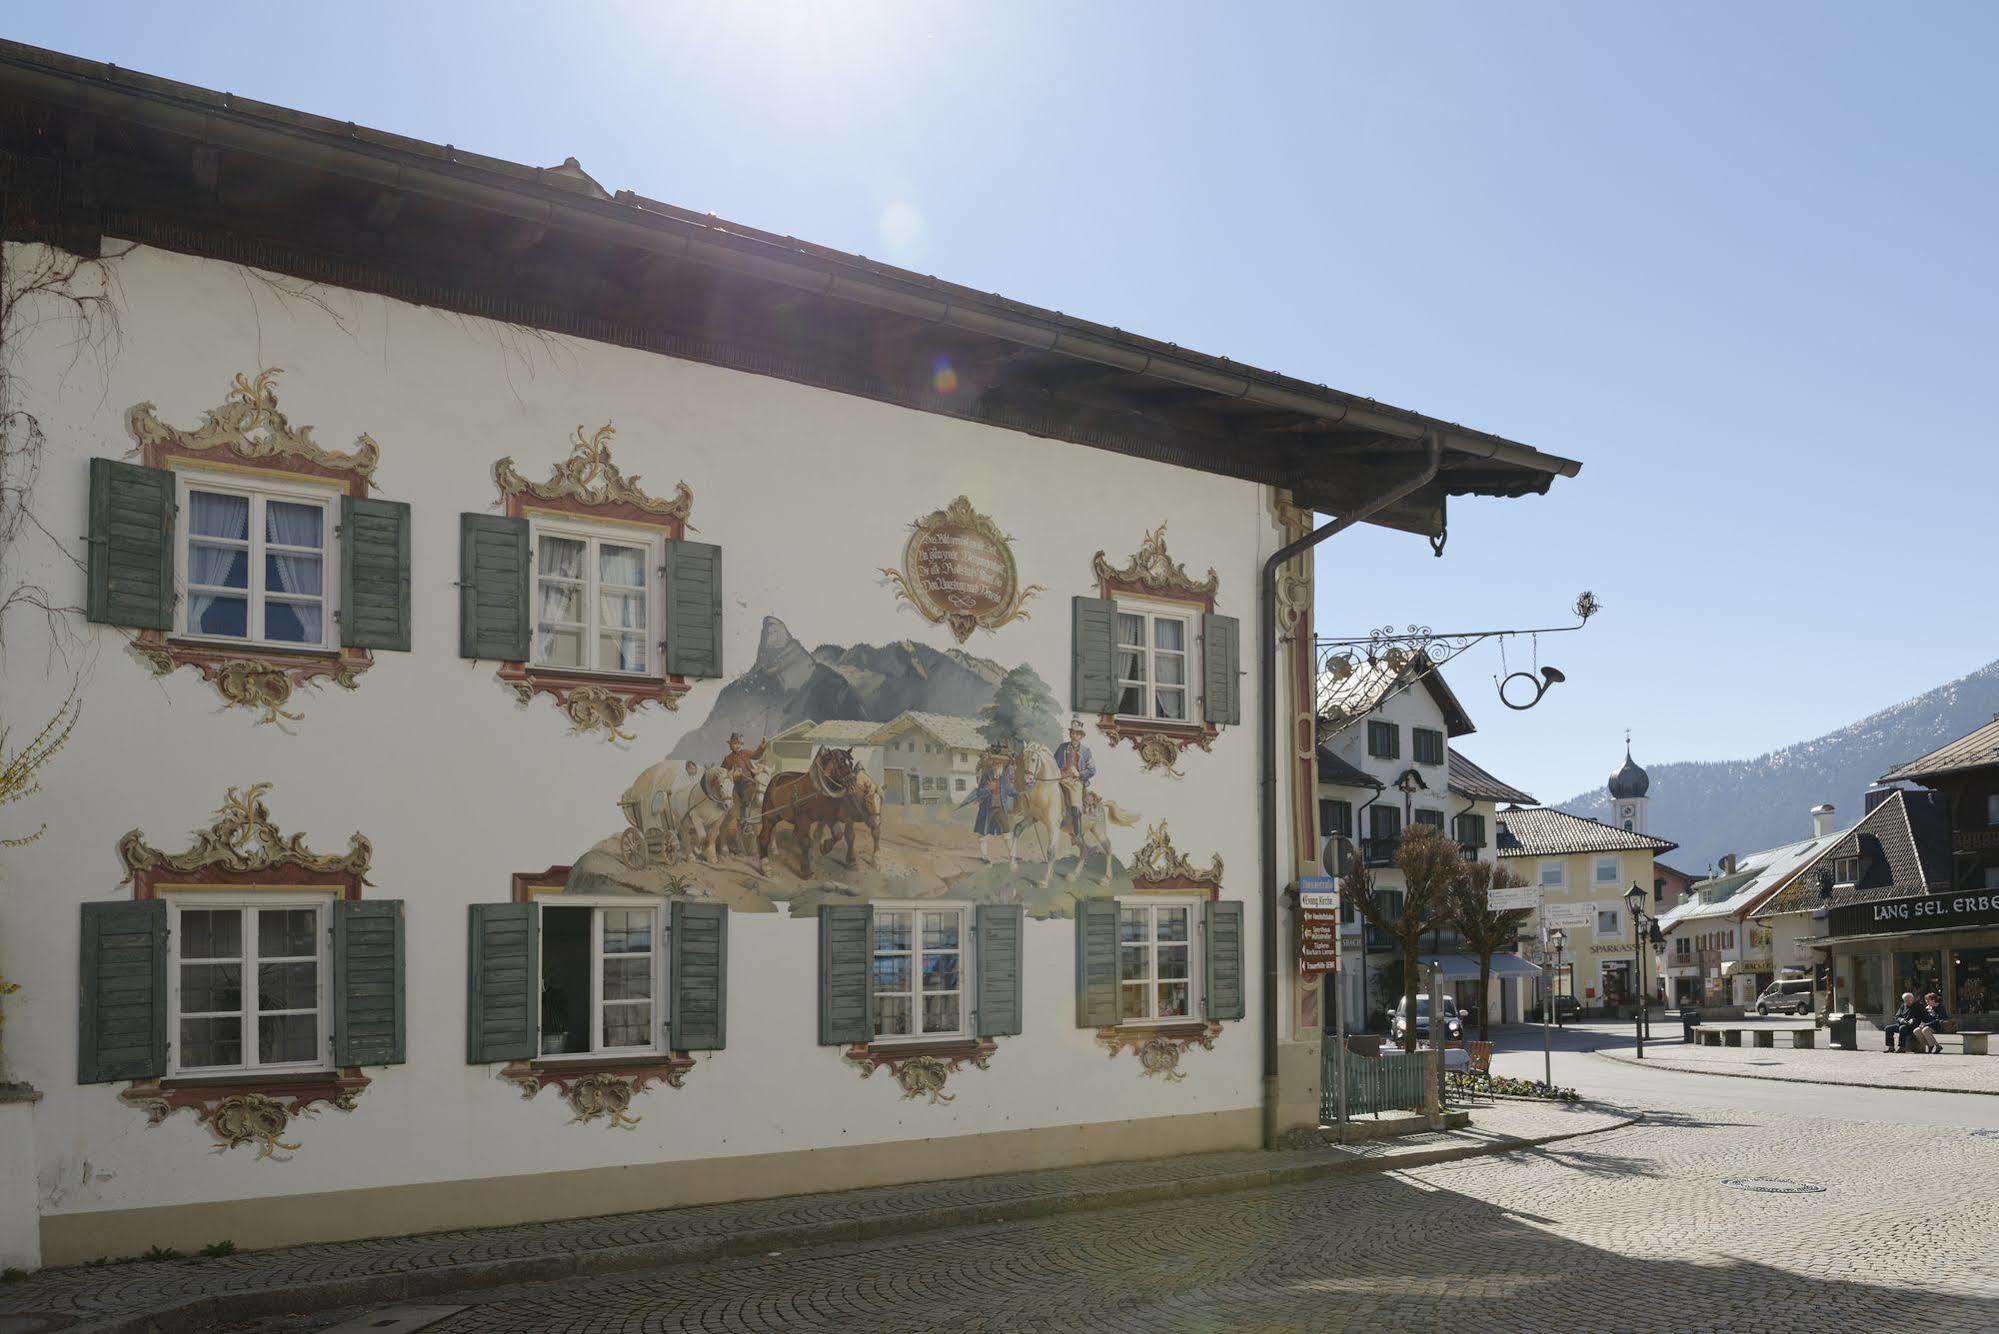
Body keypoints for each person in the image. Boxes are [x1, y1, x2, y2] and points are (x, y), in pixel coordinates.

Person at [1052, 718, 1096, 841]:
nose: (1074, 735)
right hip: (1060, 779)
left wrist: (1079, 773)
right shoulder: (1062, 747)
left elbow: (1092, 770)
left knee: (1076, 807)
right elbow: (1054, 763)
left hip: (1075, 783)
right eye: (1072, 732)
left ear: (1081, 736)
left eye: (1077, 733)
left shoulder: (1086, 752)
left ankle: (1077, 835)